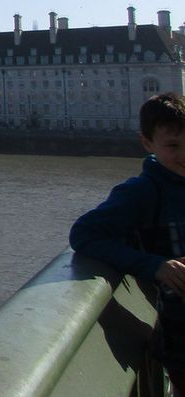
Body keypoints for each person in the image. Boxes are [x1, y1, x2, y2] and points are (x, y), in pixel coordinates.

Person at [70, 92, 185, 391]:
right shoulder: (142, 192)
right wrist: (154, 265)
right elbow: (83, 234)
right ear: (147, 144)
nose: (184, 155)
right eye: (173, 146)